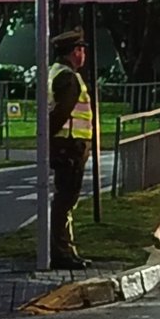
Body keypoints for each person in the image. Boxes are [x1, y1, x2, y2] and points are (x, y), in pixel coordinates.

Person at [48, 27, 93, 269]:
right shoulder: (68, 78)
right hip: (70, 145)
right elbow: (60, 113)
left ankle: (65, 249)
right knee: (65, 200)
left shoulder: (56, 72)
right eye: (81, 50)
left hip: (67, 145)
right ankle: (61, 252)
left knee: (65, 200)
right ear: (75, 52)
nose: (83, 55)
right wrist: (50, 139)